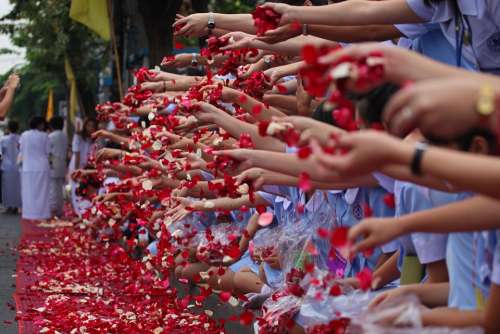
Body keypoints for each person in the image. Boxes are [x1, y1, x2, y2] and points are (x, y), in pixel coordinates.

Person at [19, 116, 50, 221]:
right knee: (43, 192)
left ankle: (29, 213)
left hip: (28, 167)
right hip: (42, 167)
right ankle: (42, 214)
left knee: (29, 192)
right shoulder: (45, 136)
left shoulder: (24, 135)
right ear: (40, 124)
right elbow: (47, 151)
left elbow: (21, 150)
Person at [48, 117, 68, 217]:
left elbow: (48, 151)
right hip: (62, 163)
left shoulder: (51, 136)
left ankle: (53, 210)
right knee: (60, 188)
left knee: (53, 189)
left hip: (53, 163)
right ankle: (59, 210)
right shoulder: (64, 136)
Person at [0, 120, 21, 213]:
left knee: (7, 187)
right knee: (17, 187)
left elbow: (1, 153)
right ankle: (16, 206)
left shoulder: (3, 139)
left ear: (8, 128)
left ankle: (8, 206)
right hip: (18, 166)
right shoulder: (21, 138)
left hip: (7, 166)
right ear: (18, 128)